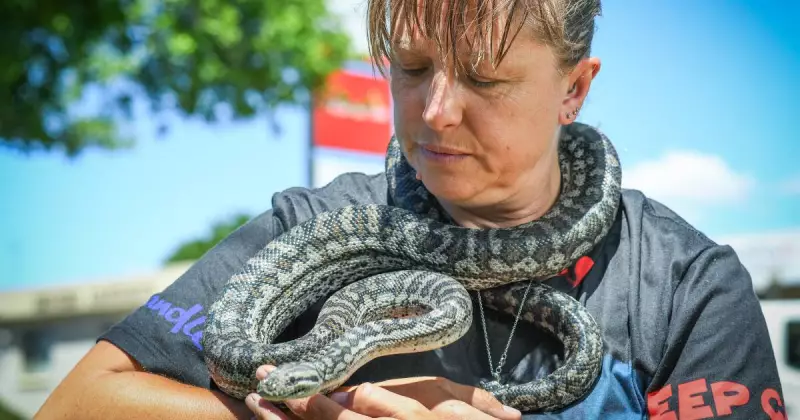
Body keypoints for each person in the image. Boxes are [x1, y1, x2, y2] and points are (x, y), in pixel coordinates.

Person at [35, 0, 787, 419]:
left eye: (486, 80)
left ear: (573, 90)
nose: (438, 111)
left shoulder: (687, 286)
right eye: (414, 68)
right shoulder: (313, 227)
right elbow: (78, 406)